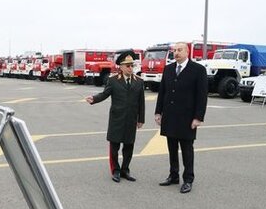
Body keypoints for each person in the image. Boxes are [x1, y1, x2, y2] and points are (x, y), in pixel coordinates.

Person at [155, 42, 208, 193]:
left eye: (179, 50)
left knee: (187, 150)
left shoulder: (198, 70)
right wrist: (158, 112)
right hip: (170, 116)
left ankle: (188, 179)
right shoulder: (169, 69)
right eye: (174, 50)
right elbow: (162, 92)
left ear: (187, 51)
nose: (176, 53)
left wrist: (198, 117)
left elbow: (202, 96)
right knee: (172, 148)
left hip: (187, 118)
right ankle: (173, 175)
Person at [86, 50, 145, 183]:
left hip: (131, 119)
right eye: (128, 66)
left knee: (129, 146)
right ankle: (115, 171)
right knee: (114, 146)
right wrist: (94, 99)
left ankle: (125, 170)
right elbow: (105, 94)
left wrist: (141, 119)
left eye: (132, 65)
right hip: (117, 119)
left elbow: (141, 102)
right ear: (121, 67)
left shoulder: (139, 82)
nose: (131, 68)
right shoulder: (113, 81)